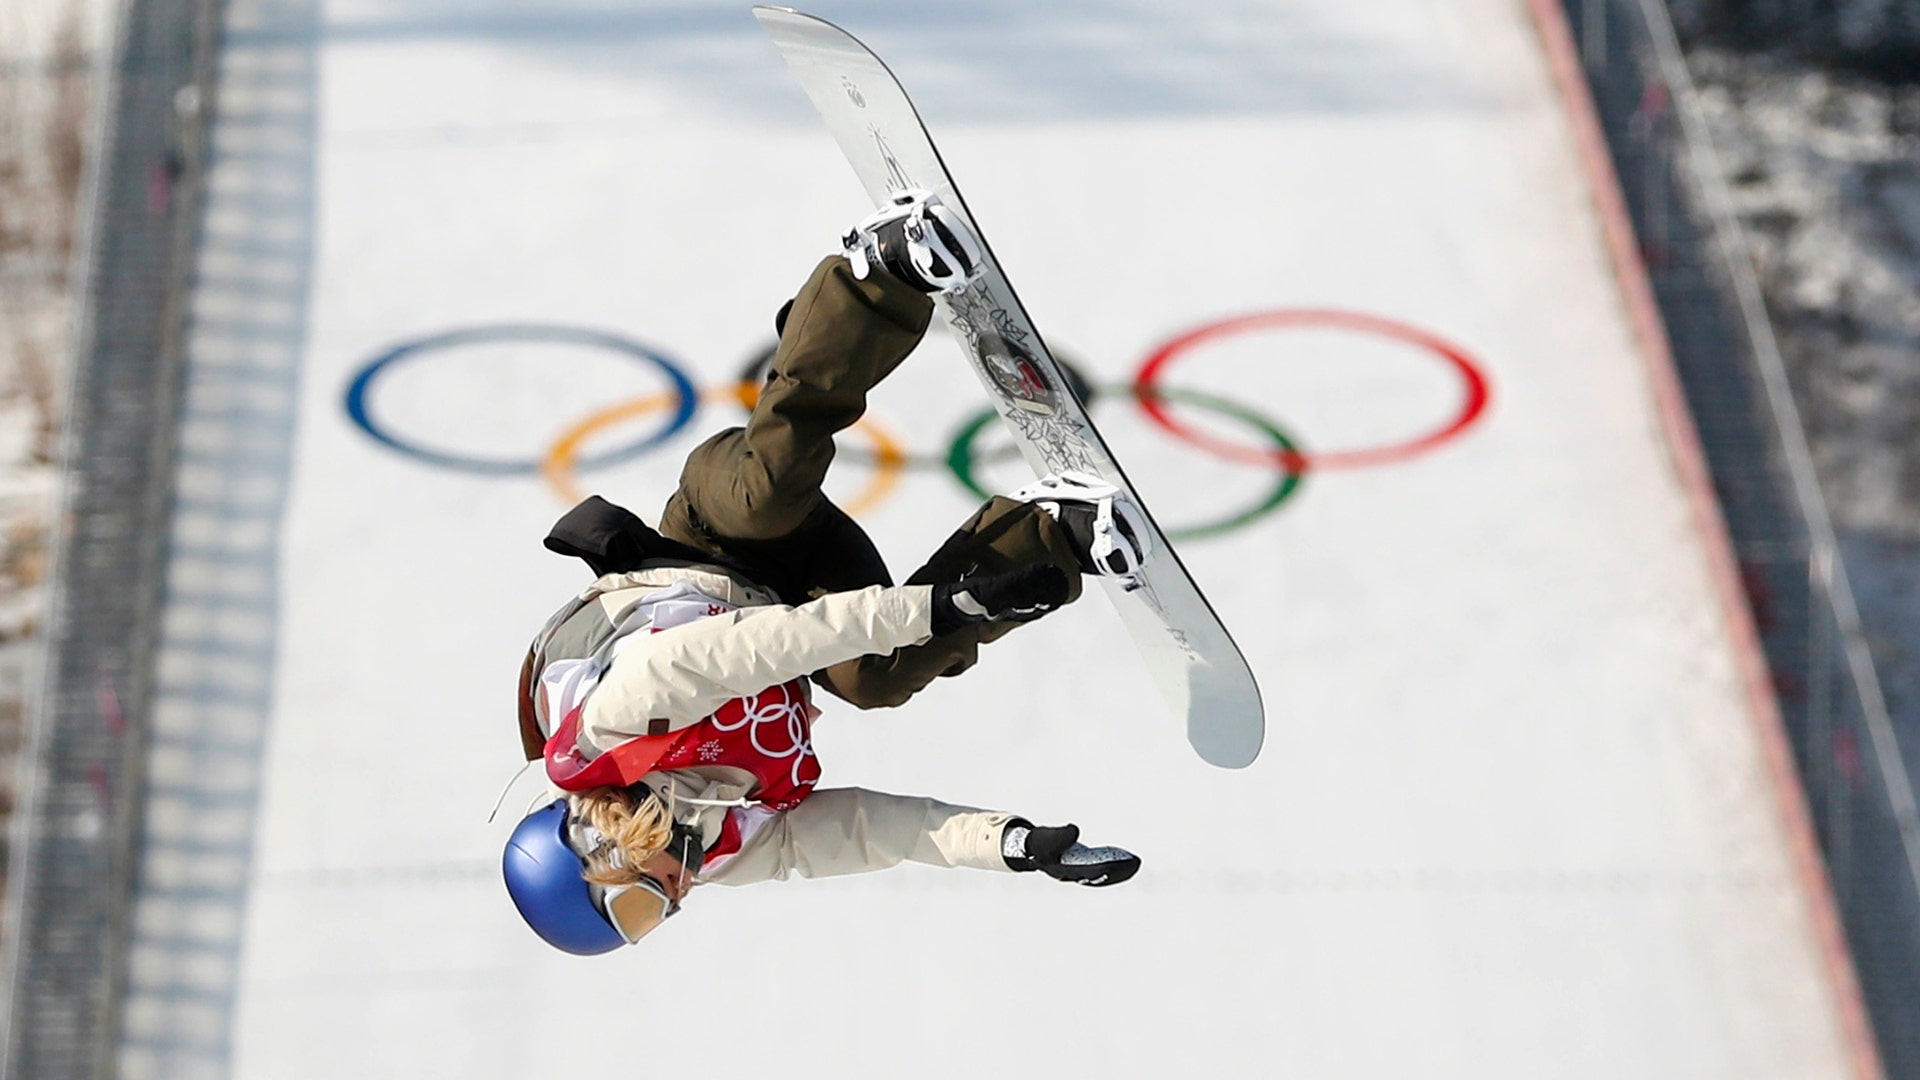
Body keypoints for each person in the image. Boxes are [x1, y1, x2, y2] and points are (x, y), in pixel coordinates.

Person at [502, 191, 1154, 955]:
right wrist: (1010, 844)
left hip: (709, 537)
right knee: (878, 679)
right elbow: (867, 833)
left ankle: (879, 274)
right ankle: (1054, 532)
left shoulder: (620, 721)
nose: (671, 902)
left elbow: (776, 646)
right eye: (654, 924)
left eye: (640, 907)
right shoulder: (719, 849)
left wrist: (945, 607)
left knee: (767, 493)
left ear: (597, 852)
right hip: (796, 584)